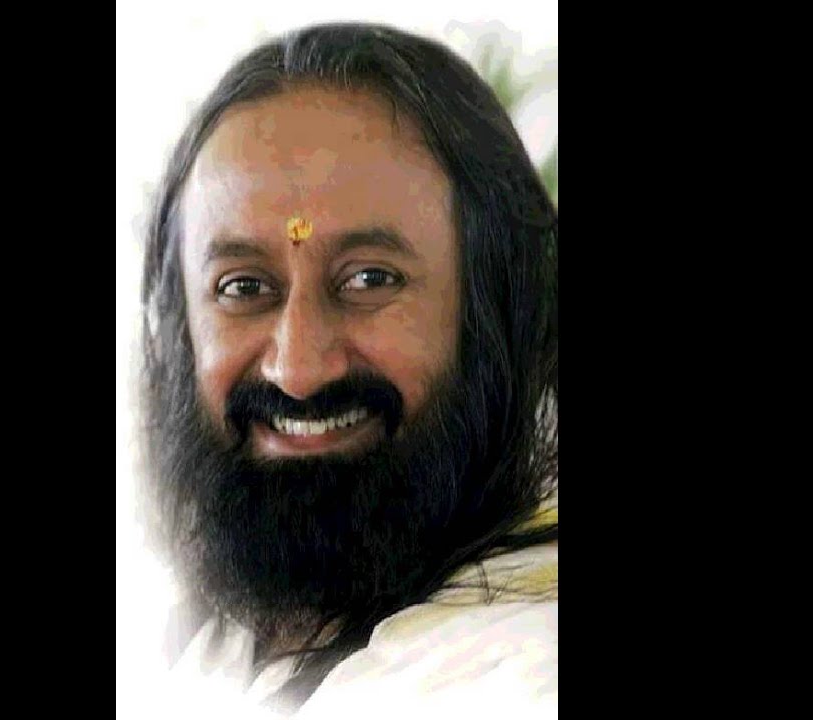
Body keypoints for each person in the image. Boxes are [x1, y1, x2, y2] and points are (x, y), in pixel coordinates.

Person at [137, 21, 558, 715]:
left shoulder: (517, 672)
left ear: (498, 311)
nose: (298, 370)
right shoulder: (190, 626)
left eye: (369, 279)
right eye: (244, 287)